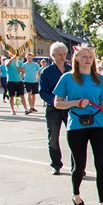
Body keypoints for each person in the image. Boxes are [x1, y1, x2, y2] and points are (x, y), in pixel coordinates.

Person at [53, 45, 103, 205]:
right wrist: (75, 103)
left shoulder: (100, 79)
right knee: (79, 164)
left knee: (101, 164)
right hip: (76, 126)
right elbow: (57, 103)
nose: (87, 59)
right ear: (76, 58)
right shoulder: (67, 78)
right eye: (83, 56)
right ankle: (76, 195)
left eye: (90, 56)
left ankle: (102, 204)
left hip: (98, 124)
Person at [39, 42, 71, 175]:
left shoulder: (71, 69)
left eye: (64, 54)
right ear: (53, 56)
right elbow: (43, 92)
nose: (63, 57)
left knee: (75, 137)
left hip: (70, 107)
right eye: (60, 54)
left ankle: (77, 167)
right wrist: (55, 101)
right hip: (53, 108)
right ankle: (56, 164)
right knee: (53, 137)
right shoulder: (46, 72)